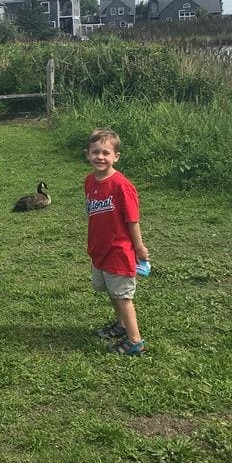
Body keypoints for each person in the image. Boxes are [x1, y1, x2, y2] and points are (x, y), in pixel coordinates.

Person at [84, 127, 150, 355]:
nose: (100, 157)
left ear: (116, 157)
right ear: (87, 154)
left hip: (119, 251)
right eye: (95, 152)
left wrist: (139, 248)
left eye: (106, 153)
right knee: (112, 291)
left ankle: (135, 342)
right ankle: (121, 326)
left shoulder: (122, 185)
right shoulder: (89, 181)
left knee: (123, 296)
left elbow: (132, 220)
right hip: (100, 250)